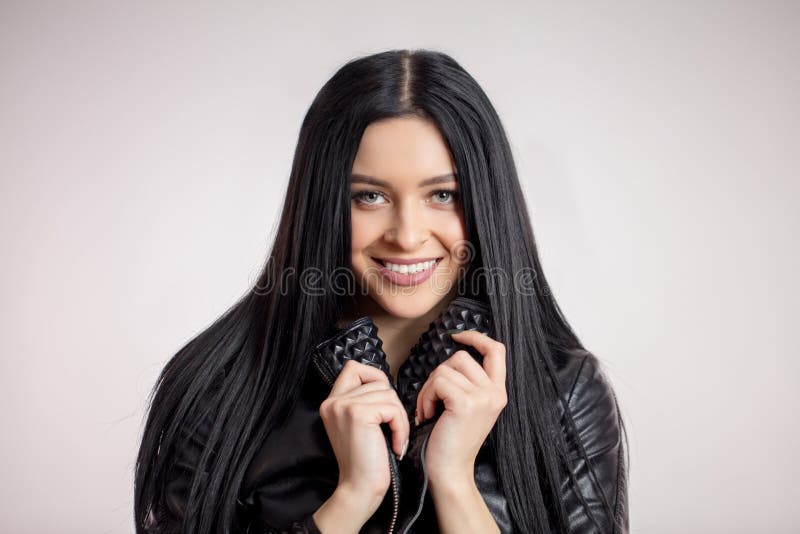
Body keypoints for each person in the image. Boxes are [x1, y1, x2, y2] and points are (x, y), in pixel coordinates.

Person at [134, 49, 629, 534]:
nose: (408, 235)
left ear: (484, 202)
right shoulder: (219, 387)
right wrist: (352, 499)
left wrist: (454, 483)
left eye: (443, 195)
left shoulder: (566, 394)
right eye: (369, 196)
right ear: (323, 203)